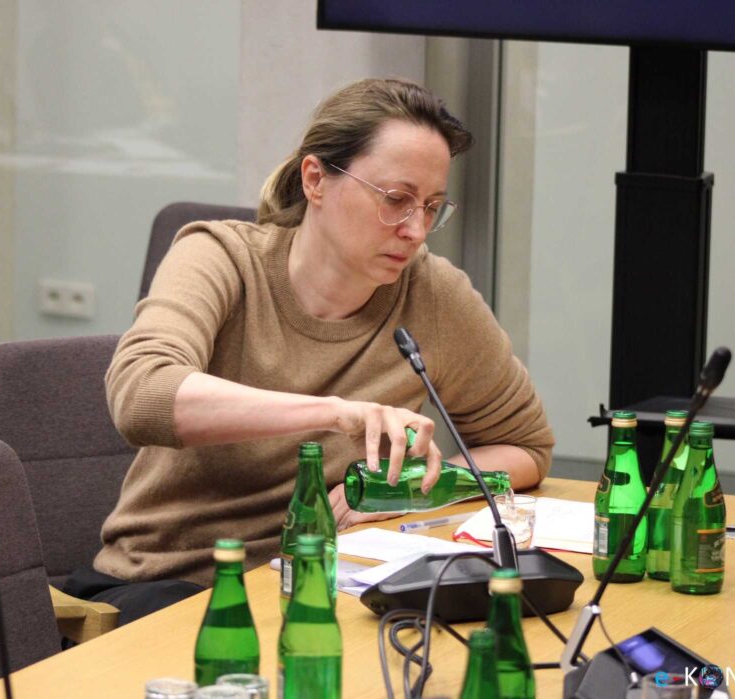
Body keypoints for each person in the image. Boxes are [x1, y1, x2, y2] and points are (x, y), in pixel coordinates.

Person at [63, 77, 554, 626]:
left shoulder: (434, 294)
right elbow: (143, 396)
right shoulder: (220, 257)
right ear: (316, 179)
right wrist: (336, 414)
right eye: (396, 200)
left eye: (431, 207)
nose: (416, 230)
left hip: (336, 582)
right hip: (177, 584)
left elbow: (525, 447)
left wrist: (411, 488)